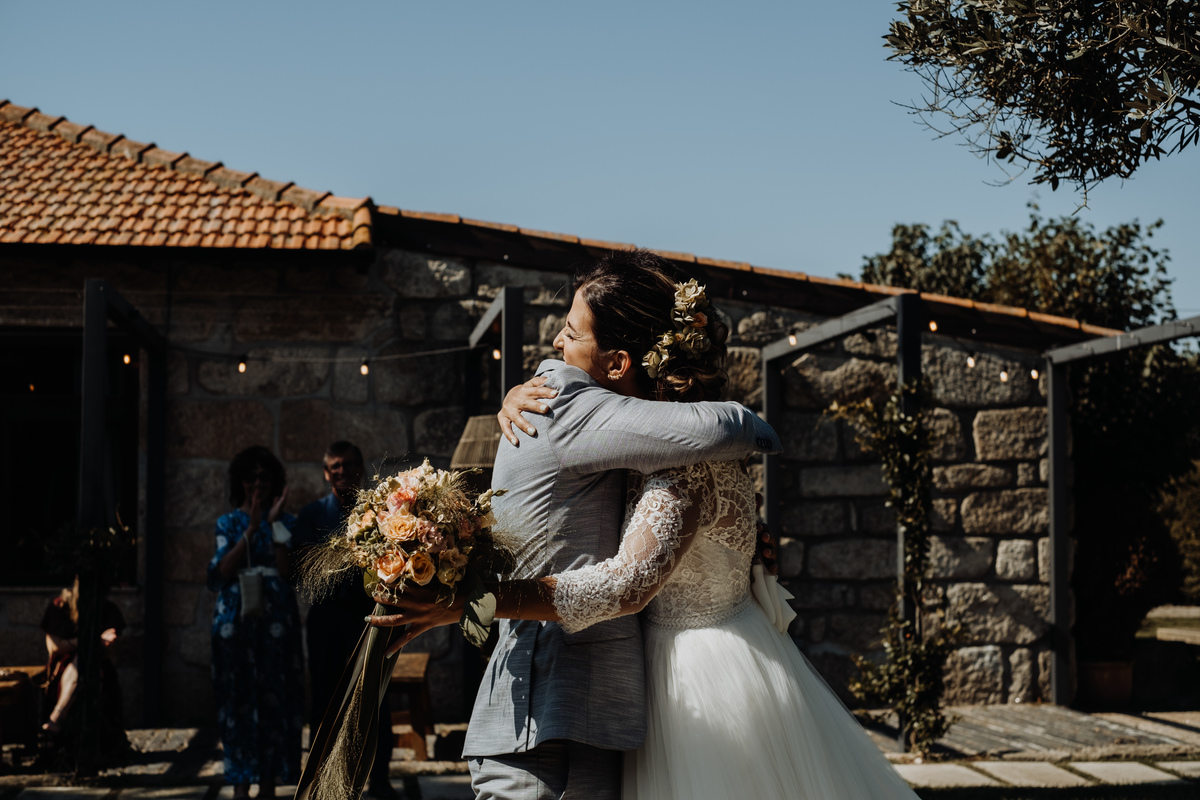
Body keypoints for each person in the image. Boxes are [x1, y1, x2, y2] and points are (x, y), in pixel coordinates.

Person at [371, 250, 921, 799]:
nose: (555, 348)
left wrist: (474, 602)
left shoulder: (669, 455)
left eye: (570, 333)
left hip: (690, 686)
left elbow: (628, 584)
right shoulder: (618, 433)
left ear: (618, 363)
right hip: (631, 696)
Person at [293, 441, 400, 800]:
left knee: (375, 694)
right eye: (335, 466)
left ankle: (379, 777)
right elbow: (300, 568)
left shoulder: (379, 511)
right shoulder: (311, 515)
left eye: (348, 464)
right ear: (326, 473)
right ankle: (319, 777)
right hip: (325, 618)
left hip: (367, 616)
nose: (342, 472)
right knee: (324, 698)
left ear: (360, 469)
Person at [207, 445, 304, 800]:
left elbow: (288, 572)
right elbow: (220, 572)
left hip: (276, 624)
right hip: (236, 625)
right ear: (240, 482)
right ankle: (240, 784)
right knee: (237, 701)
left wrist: (272, 523)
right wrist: (251, 529)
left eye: (264, 477)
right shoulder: (228, 523)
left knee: (276, 699)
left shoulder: (287, 522)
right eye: (251, 477)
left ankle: (268, 785)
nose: (258, 483)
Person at [40, 576, 125, 737]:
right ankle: (56, 718)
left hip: (98, 671)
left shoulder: (107, 609)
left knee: (87, 663)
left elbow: (110, 647)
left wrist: (95, 643)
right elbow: (54, 647)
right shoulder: (60, 606)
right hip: (62, 672)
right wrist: (90, 640)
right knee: (81, 663)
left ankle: (57, 719)